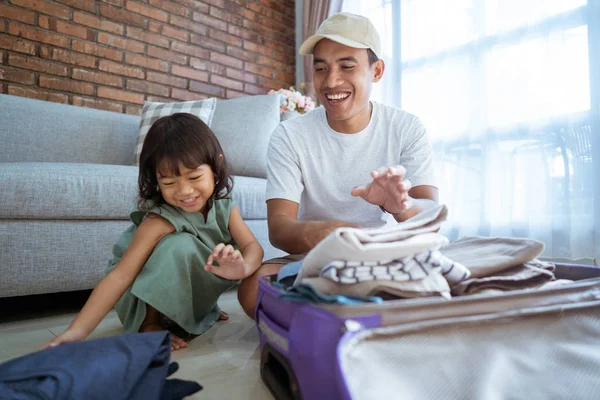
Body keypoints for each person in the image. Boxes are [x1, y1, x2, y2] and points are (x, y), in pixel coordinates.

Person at [237, 12, 439, 318]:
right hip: (313, 256)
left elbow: (431, 216)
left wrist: (401, 206)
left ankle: (332, 313)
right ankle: (361, 312)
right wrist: (327, 234)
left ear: (377, 70)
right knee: (252, 291)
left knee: (441, 277)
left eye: (347, 66)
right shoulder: (290, 135)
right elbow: (279, 228)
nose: (331, 82)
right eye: (321, 68)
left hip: (381, 255)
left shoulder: (406, 127)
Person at [45, 113, 264, 351]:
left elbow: (253, 247)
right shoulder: (159, 220)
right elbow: (120, 276)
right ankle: (150, 322)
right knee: (179, 245)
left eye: (195, 177)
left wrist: (243, 268)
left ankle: (192, 313)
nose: (184, 191)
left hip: (186, 287)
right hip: (140, 297)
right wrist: (77, 331)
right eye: (169, 183)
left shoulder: (226, 208)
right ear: (156, 180)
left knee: (209, 255)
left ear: (215, 166)